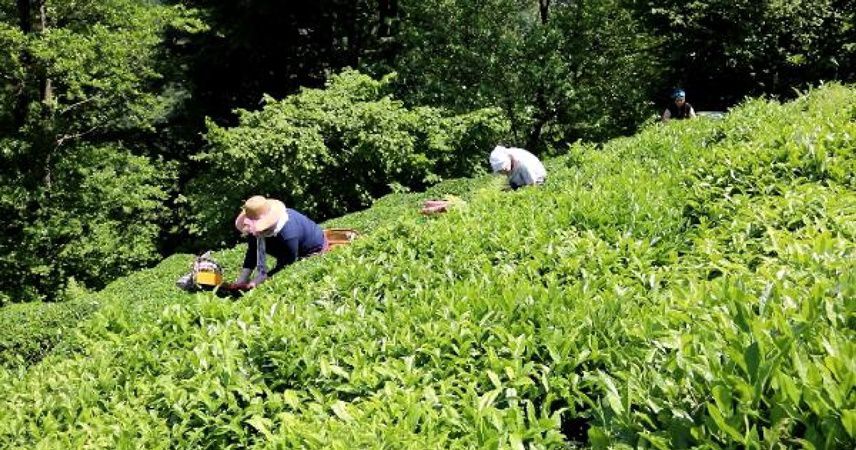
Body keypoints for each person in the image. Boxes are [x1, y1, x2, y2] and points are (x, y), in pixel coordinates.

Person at [233, 196, 328, 288]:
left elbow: (288, 263)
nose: (256, 233)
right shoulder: (254, 230)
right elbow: (253, 250)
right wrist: (243, 278)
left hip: (312, 249)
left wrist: (258, 280)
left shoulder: (288, 235)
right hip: (287, 251)